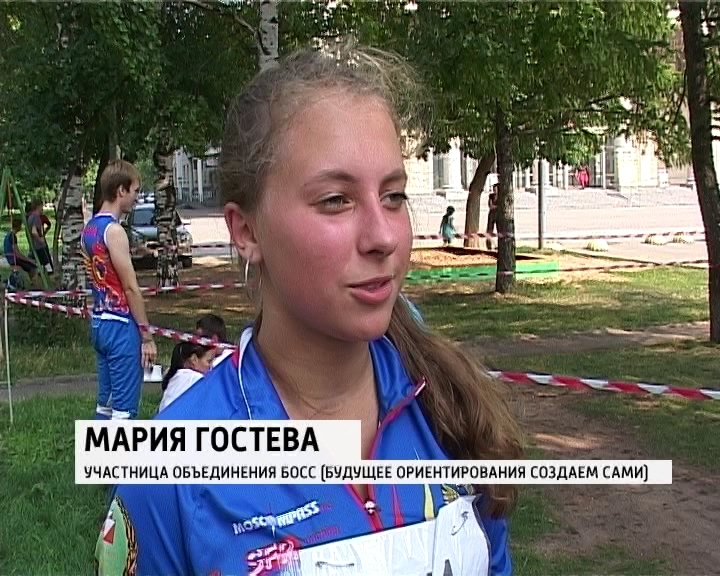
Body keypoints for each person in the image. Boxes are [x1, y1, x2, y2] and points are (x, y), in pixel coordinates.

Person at [95, 41, 523, 575]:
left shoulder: (452, 414)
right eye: (336, 200)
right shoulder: (169, 476)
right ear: (246, 231)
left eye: (393, 196)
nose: (383, 236)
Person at [81, 159, 157, 420]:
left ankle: (98, 447)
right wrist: (146, 335)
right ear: (121, 190)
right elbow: (130, 288)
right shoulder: (114, 231)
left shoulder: (90, 229)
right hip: (121, 325)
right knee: (124, 412)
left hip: (99, 322)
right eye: (135, 191)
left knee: (105, 405)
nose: (137, 197)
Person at [157, 341, 215, 412]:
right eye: (209, 361)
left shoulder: (179, 376)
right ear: (194, 359)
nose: (211, 367)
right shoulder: (195, 378)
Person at [3, 218, 38, 285]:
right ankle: (34, 284)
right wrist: (29, 260)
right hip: (14, 259)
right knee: (33, 267)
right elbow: (17, 254)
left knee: (29, 264)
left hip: (10, 258)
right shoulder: (12, 236)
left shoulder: (8, 235)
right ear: (18, 226)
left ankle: (31, 283)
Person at [26, 198, 53, 273]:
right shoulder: (35, 217)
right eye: (42, 206)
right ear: (38, 206)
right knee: (47, 265)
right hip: (38, 246)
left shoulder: (30, 217)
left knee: (37, 264)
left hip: (34, 245)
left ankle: (37, 275)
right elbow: (34, 231)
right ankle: (49, 277)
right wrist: (40, 240)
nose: (42, 209)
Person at [486, 186, 498, 251]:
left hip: (498, 214)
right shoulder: (491, 196)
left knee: (500, 230)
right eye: (494, 189)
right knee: (489, 230)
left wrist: (495, 207)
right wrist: (497, 206)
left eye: (496, 189)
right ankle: (489, 245)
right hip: (491, 214)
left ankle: (497, 245)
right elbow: (490, 206)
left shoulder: (500, 196)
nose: (495, 190)